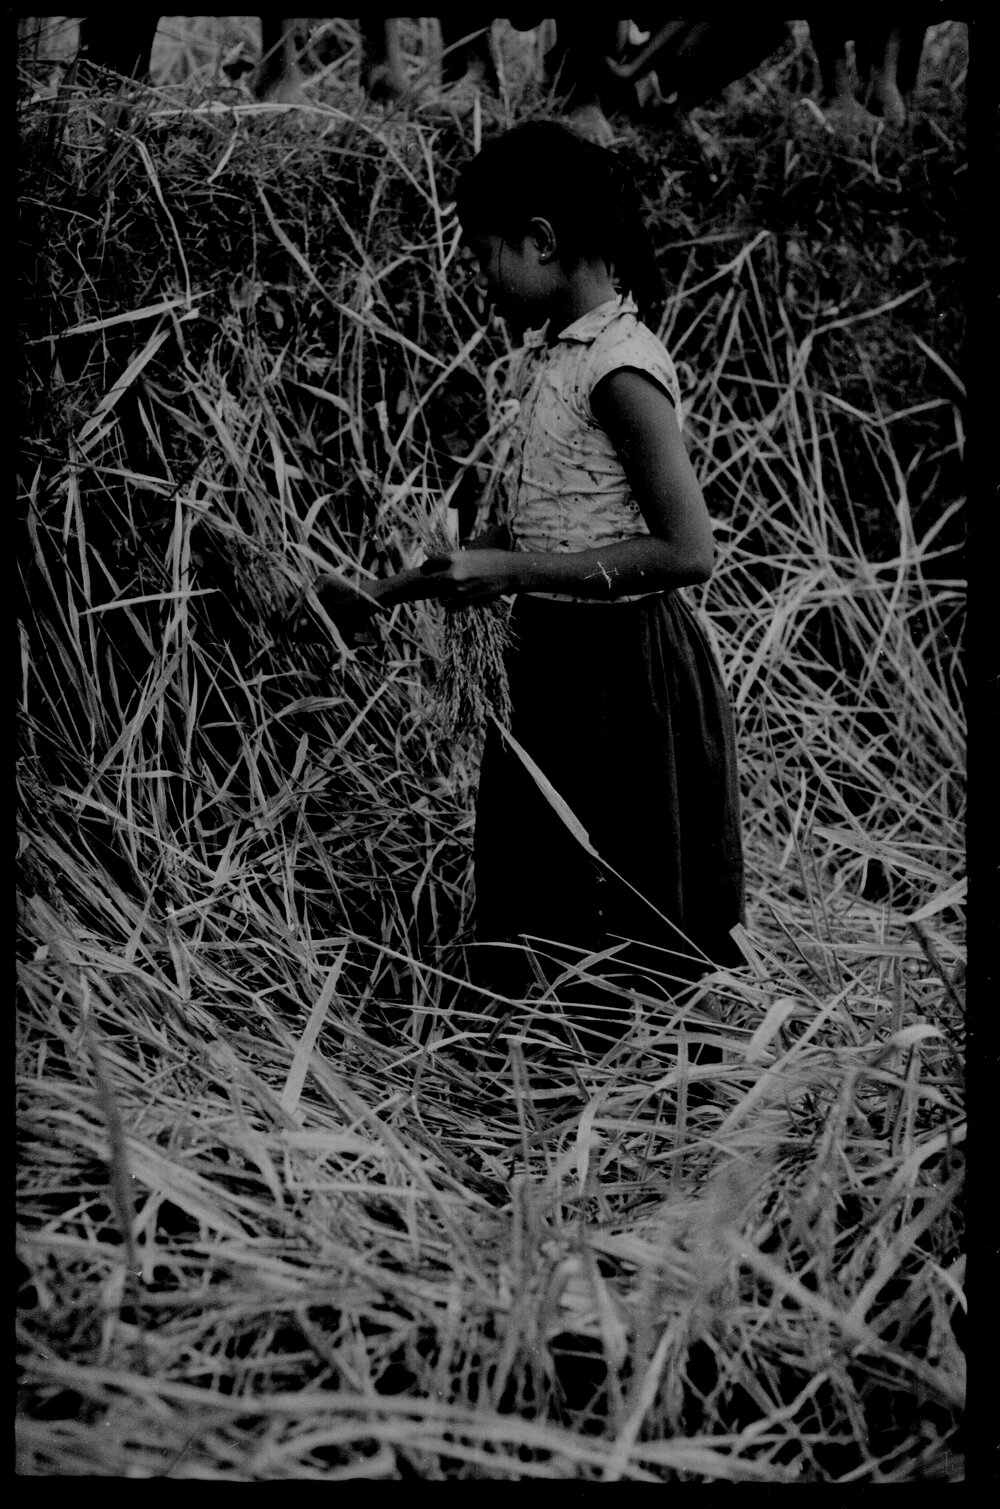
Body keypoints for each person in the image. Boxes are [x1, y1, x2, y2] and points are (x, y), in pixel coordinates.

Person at [412, 120, 745, 1038]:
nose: (478, 280)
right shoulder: (547, 359)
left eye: (484, 256)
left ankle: (619, 1088)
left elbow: (689, 553)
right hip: (548, 665)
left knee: (620, 900)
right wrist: (370, 596)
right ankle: (545, 1066)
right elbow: (497, 542)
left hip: (623, 675)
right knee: (542, 888)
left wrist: (511, 568)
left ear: (542, 240)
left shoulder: (619, 370)